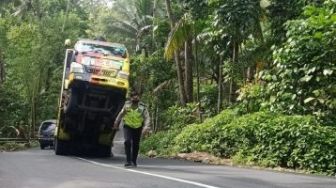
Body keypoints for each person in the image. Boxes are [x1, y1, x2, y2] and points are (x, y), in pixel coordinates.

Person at [114, 91, 150, 167]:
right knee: (127, 141)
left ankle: (134, 161)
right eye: (133, 96)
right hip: (128, 126)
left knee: (136, 144)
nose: (135, 97)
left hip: (138, 127)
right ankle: (128, 161)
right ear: (131, 98)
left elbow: (147, 117)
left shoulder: (142, 107)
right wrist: (116, 123)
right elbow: (121, 114)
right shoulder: (127, 105)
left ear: (139, 97)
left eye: (137, 96)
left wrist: (146, 126)